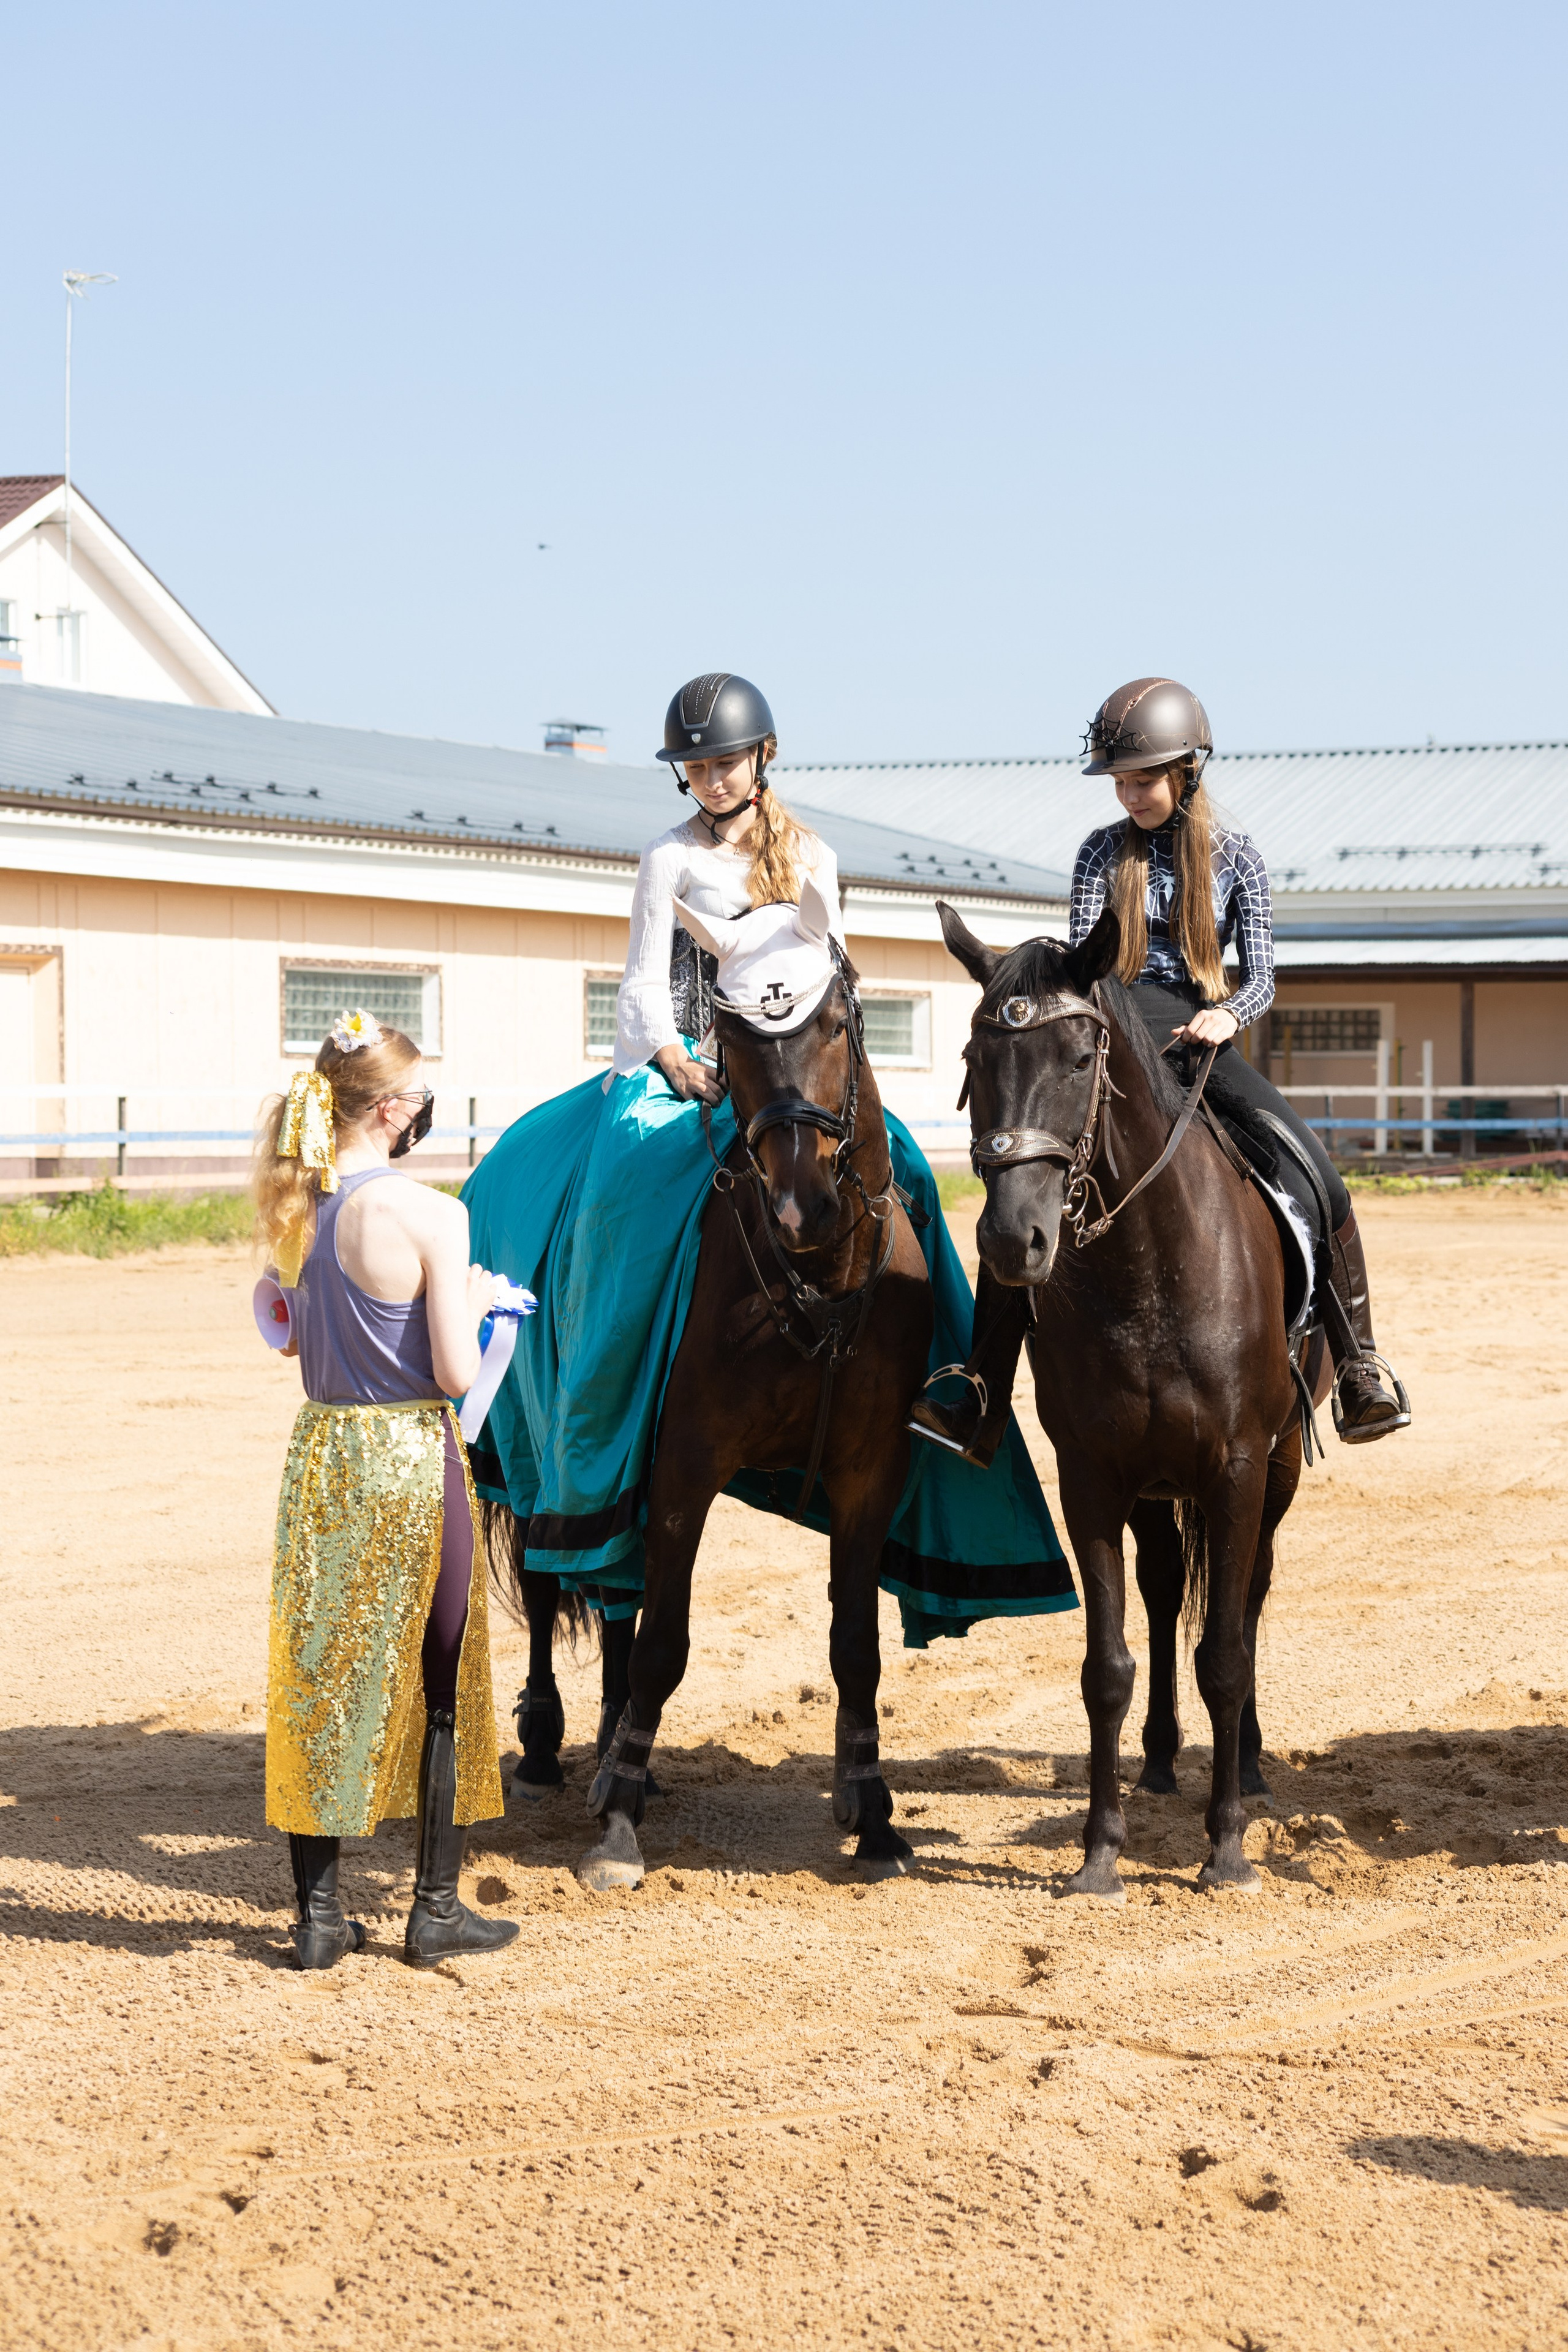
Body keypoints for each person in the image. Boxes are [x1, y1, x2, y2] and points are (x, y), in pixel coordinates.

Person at [462, 673, 1076, 1768]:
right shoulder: (667, 859)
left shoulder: (816, 859)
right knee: (614, 1209)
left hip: (797, 1074)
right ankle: (596, 1428)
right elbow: (645, 988)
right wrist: (676, 1063)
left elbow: (832, 980)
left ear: (764, 758)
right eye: (693, 765)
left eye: (724, 760)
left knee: (917, 1199)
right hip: (690, 1075)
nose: (709, 776)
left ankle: (958, 1392)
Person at [910, 674, 1409, 1463]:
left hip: (1204, 1038)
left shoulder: (1238, 858)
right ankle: (979, 1388)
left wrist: (1228, 1014)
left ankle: (1357, 1364)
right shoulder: (1099, 854)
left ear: (1189, 771)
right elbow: (1086, 964)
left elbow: (1266, 974)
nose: (1128, 793)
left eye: (1142, 778)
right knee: (1028, 1192)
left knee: (1318, 1171)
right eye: (1119, 780)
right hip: (1115, 1040)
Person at [255, 1012, 518, 1971]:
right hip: (412, 1455)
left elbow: (292, 1341)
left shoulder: (298, 1213)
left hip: (324, 1456)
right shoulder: (431, 1215)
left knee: (320, 1678)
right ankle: (434, 1909)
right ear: (396, 1107)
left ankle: (320, 1922)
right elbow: (452, 1373)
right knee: (438, 1682)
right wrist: (489, 1313)